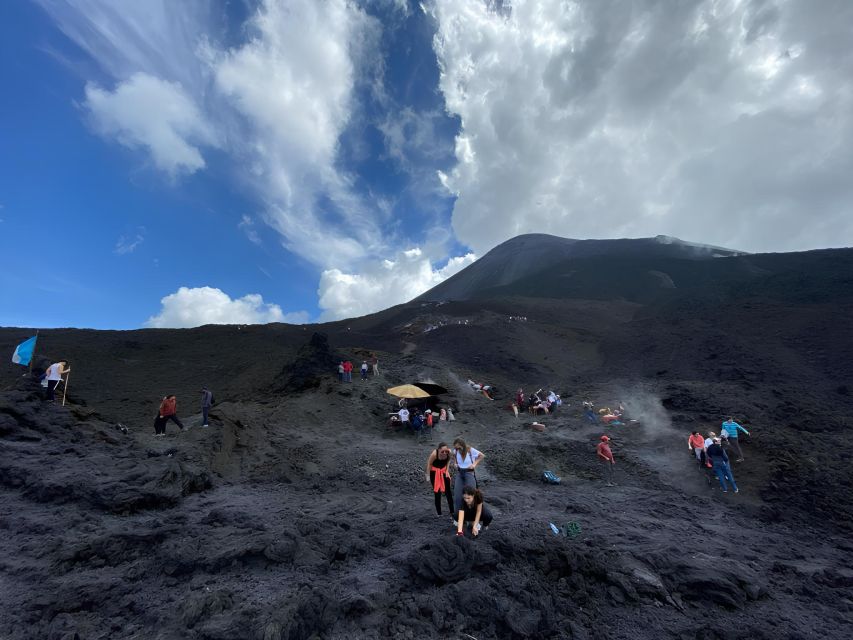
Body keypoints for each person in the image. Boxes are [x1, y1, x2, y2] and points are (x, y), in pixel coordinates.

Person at [452, 438, 484, 512]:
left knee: (471, 495)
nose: (457, 449)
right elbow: (454, 456)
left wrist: (474, 464)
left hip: (469, 473)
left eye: (459, 448)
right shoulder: (455, 451)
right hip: (460, 473)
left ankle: (473, 517)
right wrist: (455, 463)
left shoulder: (470, 450)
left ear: (463, 445)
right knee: (457, 496)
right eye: (456, 448)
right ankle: (458, 517)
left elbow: (481, 455)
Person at [425, 443, 454, 517]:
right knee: (437, 493)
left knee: (448, 492)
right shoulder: (434, 454)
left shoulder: (448, 452)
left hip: (443, 471)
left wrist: (447, 470)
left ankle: (452, 511)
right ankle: (439, 513)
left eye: (446, 451)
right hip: (434, 473)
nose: (444, 453)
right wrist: (428, 476)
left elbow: (448, 460)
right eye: (442, 451)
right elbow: (429, 464)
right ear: (439, 449)